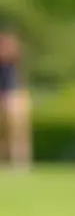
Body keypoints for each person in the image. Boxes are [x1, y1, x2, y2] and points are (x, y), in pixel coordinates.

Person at [0, 31, 31, 170]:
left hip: (14, 94)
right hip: (5, 94)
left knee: (18, 131)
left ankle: (20, 162)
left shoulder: (15, 61)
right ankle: (6, 161)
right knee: (5, 132)